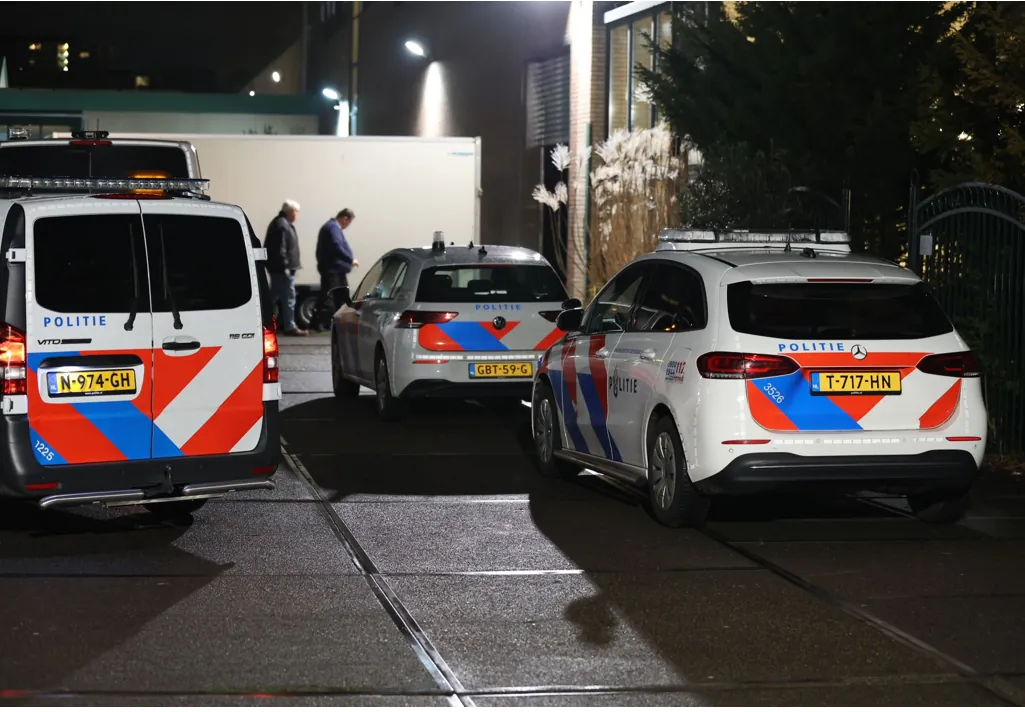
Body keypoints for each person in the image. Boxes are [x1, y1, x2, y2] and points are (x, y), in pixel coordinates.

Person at [264, 199, 308, 336]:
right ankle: (290, 327)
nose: (297, 215)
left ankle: (260, 321)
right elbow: (280, 249)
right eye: (296, 212)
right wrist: (285, 268)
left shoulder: (280, 223)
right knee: (289, 298)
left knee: (273, 297)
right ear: (290, 212)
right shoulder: (282, 225)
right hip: (283, 270)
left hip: (279, 269)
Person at [313, 208, 359, 331]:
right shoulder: (333, 228)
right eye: (349, 222)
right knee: (331, 297)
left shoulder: (332, 227)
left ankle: (338, 324)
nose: (348, 226)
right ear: (345, 219)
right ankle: (323, 323)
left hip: (335, 269)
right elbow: (337, 245)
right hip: (333, 270)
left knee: (340, 297)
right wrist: (350, 259)